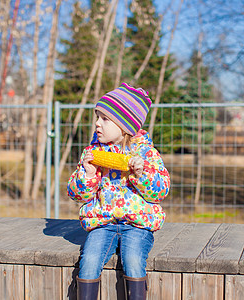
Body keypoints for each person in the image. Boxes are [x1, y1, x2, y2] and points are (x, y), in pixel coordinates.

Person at [67, 83, 170, 300]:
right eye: (97, 117)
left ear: (124, 125)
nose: (97, 124)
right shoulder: (92, 152)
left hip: (136, 225)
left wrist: (141, 174)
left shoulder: (145, 152)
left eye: (105, 119)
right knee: (89, 261)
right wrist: (88, 174)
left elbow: (160, 191)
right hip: (102, 225)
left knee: (133, 260)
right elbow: (76, 194)